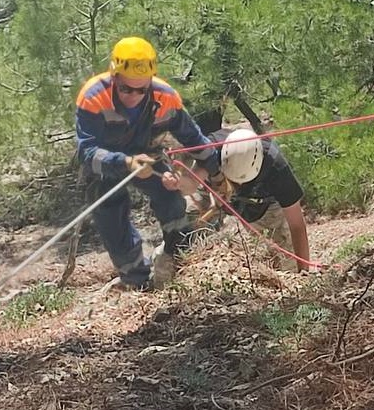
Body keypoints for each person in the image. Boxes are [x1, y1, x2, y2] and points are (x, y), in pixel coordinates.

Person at [74, 36, 223, 290]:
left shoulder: (166, 97)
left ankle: (181, 261)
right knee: (110, 217)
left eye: (141, 90)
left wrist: (216, 173)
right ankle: (137, 281)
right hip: (105, 163)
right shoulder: (93, 97)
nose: (134, 96)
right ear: (114, 78)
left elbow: (193, 139)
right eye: (126, 89)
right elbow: (87, 153)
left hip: (148, 157)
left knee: (171, 197)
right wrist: (126, 163)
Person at [198, 127, 312, 272]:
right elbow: (188, 174)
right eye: (234, 181)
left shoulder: (277, 168)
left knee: (286, 263)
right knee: (184, 219)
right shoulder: (210, 148)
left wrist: (304, 273)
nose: (238, 185)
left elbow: (296, 224)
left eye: (241, 182)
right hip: (212, 185)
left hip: (262, 205)